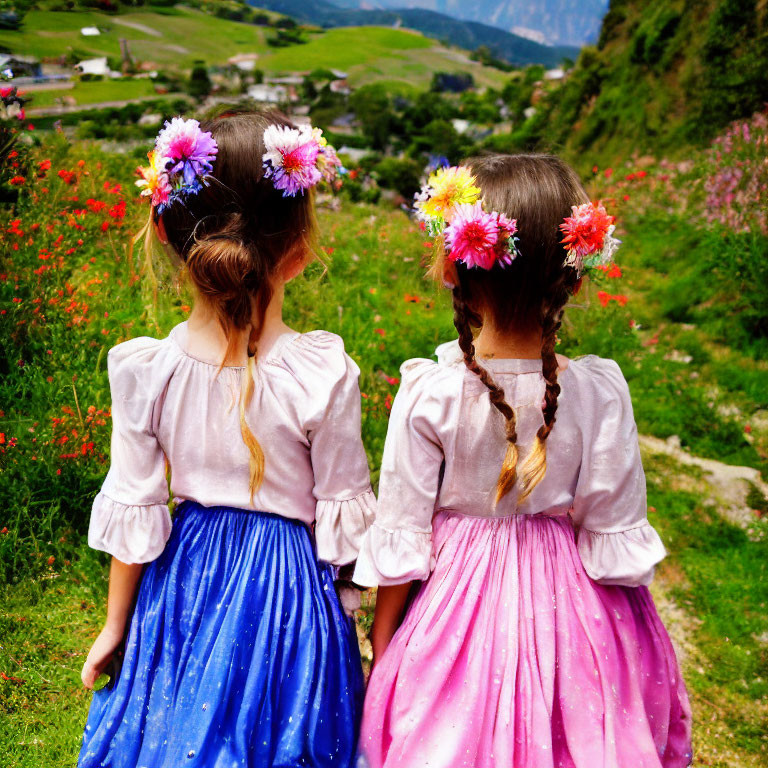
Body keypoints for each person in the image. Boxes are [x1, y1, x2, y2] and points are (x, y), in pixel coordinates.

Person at [355, 156, 692, 768]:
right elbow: (611, 523)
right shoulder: (598, 392)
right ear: (576, 278)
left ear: (453, 269)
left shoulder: (429, 392)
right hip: (574, 611)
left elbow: (403, 531)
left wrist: (386, 645)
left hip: (452, 604)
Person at [78, 109, 375, 768]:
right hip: (289, 600)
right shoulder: (322, 373)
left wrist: (115, 624)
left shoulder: (144, 371)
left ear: (164, 230)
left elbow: (139, 509)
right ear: (299, 250)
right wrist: (349, 615)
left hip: (180, 582)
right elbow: (344, 516)